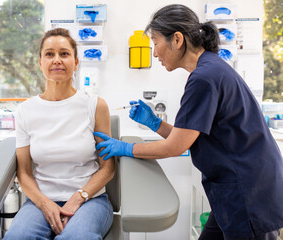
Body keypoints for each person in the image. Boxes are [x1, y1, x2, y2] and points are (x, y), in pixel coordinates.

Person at [94, 4, 283, 240]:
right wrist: (155, 124)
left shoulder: (204, 78)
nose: (154, 53)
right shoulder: (209, 70)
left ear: (177, 39)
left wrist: (126, 148)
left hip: (247, 193)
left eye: (155, 42)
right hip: (237, 190)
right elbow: (184, 137)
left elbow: (175, 147)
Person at [3, 28, 114, 240]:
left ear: (76, 62)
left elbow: (107, 168)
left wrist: (78, 198)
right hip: (40, 200)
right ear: (40, 62)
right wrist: (44, 203)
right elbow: (24, 172)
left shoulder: (95, 106)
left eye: (64, 54)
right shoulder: (26, 110)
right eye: (49, 54)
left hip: (90, 200)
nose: (57, 60)